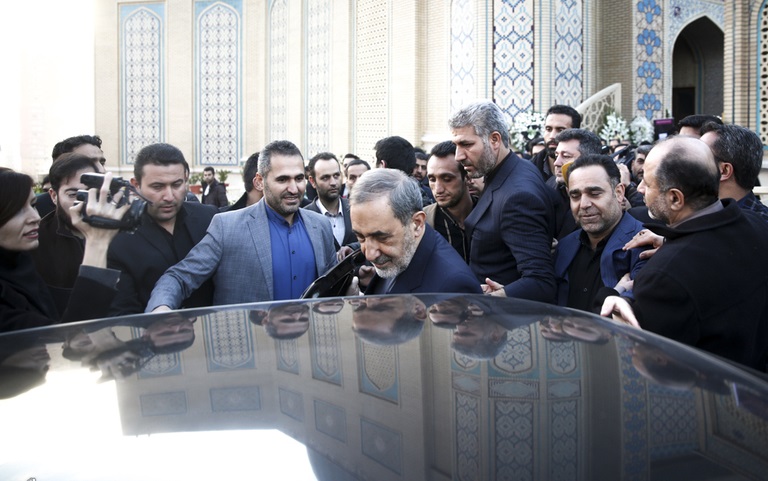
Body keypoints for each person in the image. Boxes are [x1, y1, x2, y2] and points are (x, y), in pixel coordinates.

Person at [600, 136, 768, 370]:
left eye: (647, 184)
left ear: (675, 198)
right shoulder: (757, 224)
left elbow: (648, 366)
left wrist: (615, 299)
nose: (639, 189)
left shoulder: (665, 276)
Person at [145, 140, 338, 311]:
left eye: (299, 178)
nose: (294, 188)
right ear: (259, 182)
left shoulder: (321, 226)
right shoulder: (227, 227)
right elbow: (179, 277)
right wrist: (161, 308)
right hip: (251, 341)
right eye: (282, 179)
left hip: (310, 340)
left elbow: (333, 285)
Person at [449, 100, 556, 302]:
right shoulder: (512, 169)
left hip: (502, 317)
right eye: (456, 145)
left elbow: (540, 283)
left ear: (495, 139)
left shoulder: (518, 198)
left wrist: (496, 298)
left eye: (466, 144)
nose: (458, 156)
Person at [0, 168, 127, 333]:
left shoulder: (20, 262)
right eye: (17, 210)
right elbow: (73, 338)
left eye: (33, 205)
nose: (35, 217)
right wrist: (97, 241)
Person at [107, 143, 218, 315]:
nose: (169, 196)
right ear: (136, 185)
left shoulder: (209, 218)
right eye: (157, 187)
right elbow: (123, 312)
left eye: (176, 184)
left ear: (186, 179)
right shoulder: (117, 238)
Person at [348, 168, 481, 295]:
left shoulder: (454, 286)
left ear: (417, 223)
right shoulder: (401, 253)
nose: (369, 255)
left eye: (382, 238)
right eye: (360, 237)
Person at [553, 154, 647, 311]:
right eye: (575, 196)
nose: (584, 204)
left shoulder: (644, 246)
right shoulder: (565, 247)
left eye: (594, 193)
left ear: (619, 193)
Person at [29, 153, 102, 314]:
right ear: (54, 196)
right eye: (73, 195)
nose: (84, 203)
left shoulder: (121, 233)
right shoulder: (36, 241)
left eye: (90, 193)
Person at [700, 122, 768, 222]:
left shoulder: (760, 226)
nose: (686, 161)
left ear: (724, 170)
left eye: (698, 155)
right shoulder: (692, 215)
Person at [424, 140, 475, 262]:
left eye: (447, 179)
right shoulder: (424, 223)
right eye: (432, 179)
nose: (438, 189)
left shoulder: (491, 214)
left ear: (467, 178)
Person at [548, 128, 603, 239]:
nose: (556, 163)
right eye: (556, 155)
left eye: (566, 156)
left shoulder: (610, 194)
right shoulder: (548, 188)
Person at [35, 135, 108, 218]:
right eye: (88, 163)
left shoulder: (115, 203)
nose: (102, 170)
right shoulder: (39, 209)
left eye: (102, 163)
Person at [303, 152, 357, 248]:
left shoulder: (355, 208)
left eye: (336, 175)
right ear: (312, 181)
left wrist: (353, 247)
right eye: (325, 178)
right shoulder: (304, 218)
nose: (333, 182)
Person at [529, 105, 582, 181]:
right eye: (548, 129)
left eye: (560, 130)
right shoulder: (529, 169)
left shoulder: (588, 169)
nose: (552, 136)